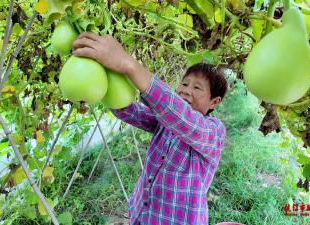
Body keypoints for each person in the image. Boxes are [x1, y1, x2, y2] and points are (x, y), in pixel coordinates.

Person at [72, 32, 228, 225]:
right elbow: (130, 111)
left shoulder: (213, 133)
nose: (186, 90)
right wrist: (102, 74)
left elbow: (183, 118)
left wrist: (128, 64)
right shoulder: (165, 122)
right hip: (142, 214)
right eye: (185, 83)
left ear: (214, 101)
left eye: (197, 88)